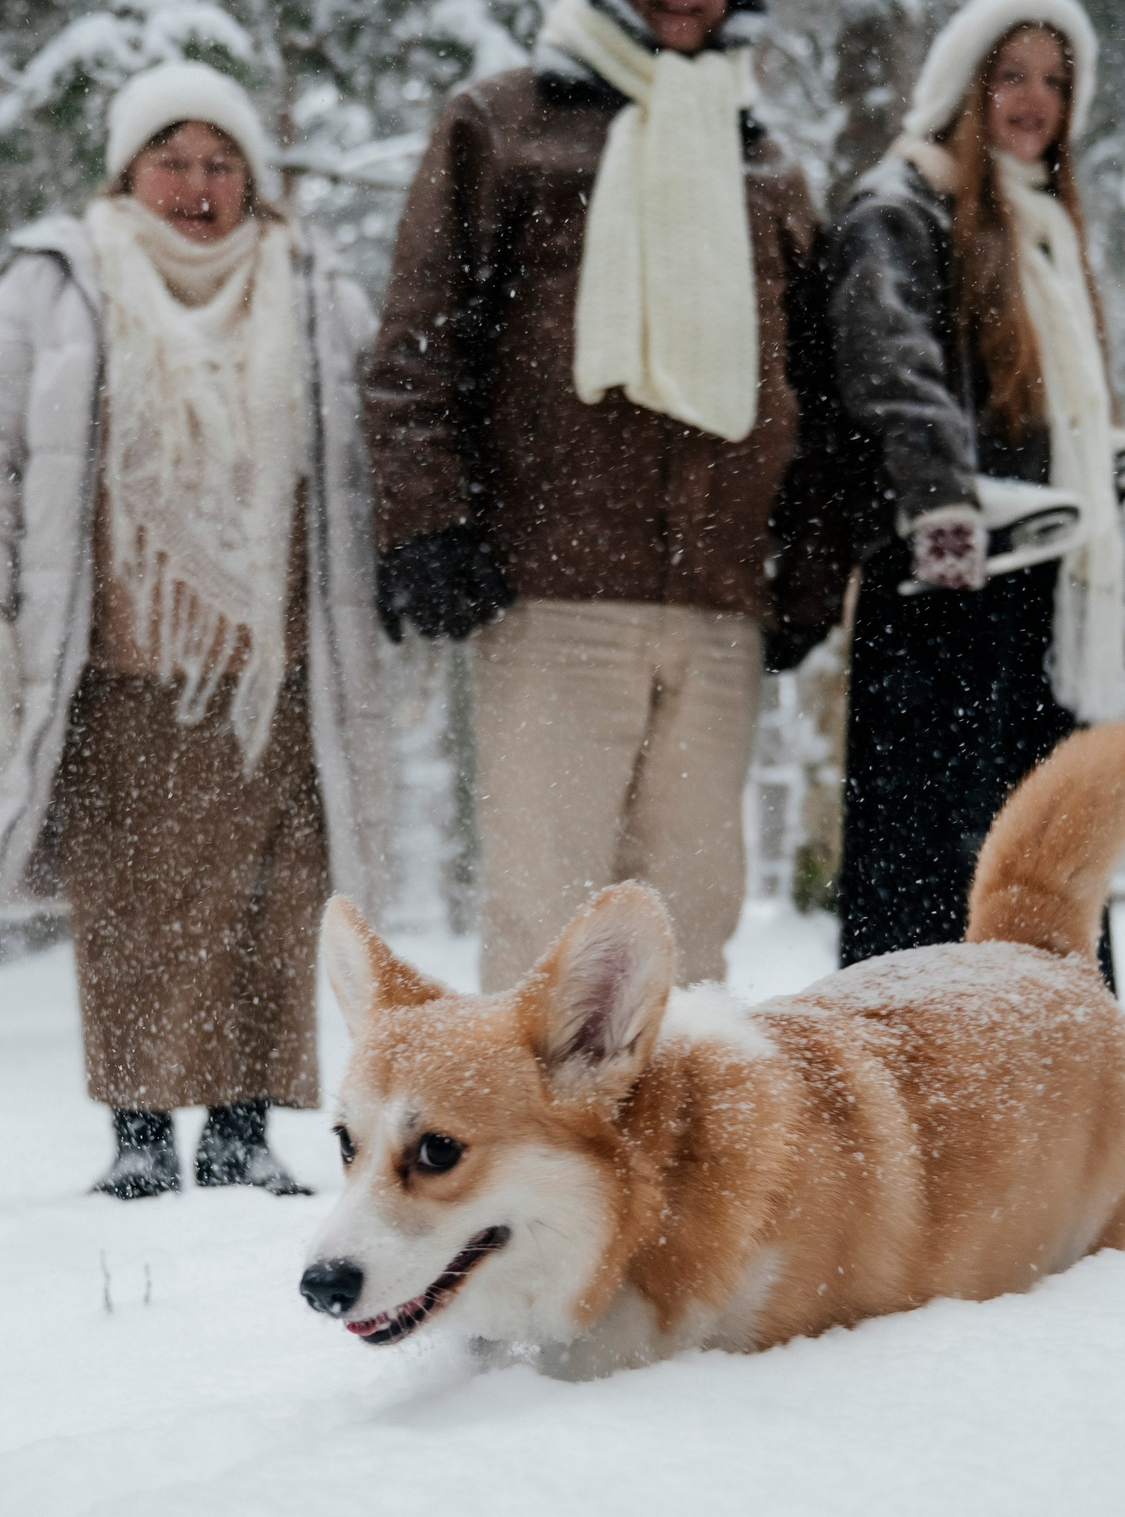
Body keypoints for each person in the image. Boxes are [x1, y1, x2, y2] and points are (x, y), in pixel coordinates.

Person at [0, 62, 394, 1198]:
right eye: (170, 161)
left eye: (220, 163)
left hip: (278, 672)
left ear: (253, 180)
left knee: (272, 904)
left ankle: (239, 1132)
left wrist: (408, 594)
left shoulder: (318, 284)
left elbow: (379, 460)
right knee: (130, 903)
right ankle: (140, 1135)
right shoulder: (57, 282)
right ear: (125, 172)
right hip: (117, 666)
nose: (195, 185)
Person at [364, 0, 834, 993]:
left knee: (691, 917)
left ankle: (682, 1145)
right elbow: (418, 341)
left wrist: (811, 570)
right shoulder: (502, 125)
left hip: (717, 597)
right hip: (548, 587)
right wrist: (429, 521)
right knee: (545, 920)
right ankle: (531, 1146)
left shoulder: (764, 159)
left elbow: (816, 386)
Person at [822, 0, 1125, 976]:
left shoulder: (1042, 225)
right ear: (965, 86)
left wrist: (1098, 471)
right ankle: (917, 1090)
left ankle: (1053, 1087)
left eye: (1055, 79)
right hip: (942, 588)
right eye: (1013, 74)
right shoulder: (903, 208)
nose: (1036, 99)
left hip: (1033, 599)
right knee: (935, 864)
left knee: (1045, 859)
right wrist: (943, 500)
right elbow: (889, 368)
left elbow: (1037, 413)